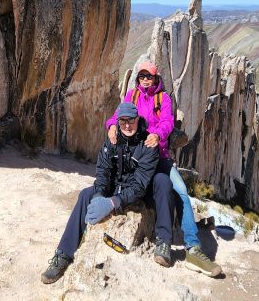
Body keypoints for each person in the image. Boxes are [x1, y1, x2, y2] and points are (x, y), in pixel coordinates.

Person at [105, 61, 222, 278]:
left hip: (159, 156)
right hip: (134, 156)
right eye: (141, 77)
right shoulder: (131, 96)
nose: (145, 80)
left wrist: (157, 134)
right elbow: (117, 116)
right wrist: (111, 125)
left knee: (180, 191)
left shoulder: (163, 98)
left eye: (148, 76)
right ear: (137, 79)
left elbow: (168, 122)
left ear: (156, 78)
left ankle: (193, 248)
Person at [41, 101, 175, 284]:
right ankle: (63, 254)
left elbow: (139, 185)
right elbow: (103, 172)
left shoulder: (148, 144)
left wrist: (112, 202)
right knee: (85, 195)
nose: (127, 125)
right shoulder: (111, 140)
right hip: (117, 186)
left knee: (164, 182)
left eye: (131, 121)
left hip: (140, 191)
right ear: (117, 122)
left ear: (138, 120)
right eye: (123, 121)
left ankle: (164, 241)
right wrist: (99, 197)